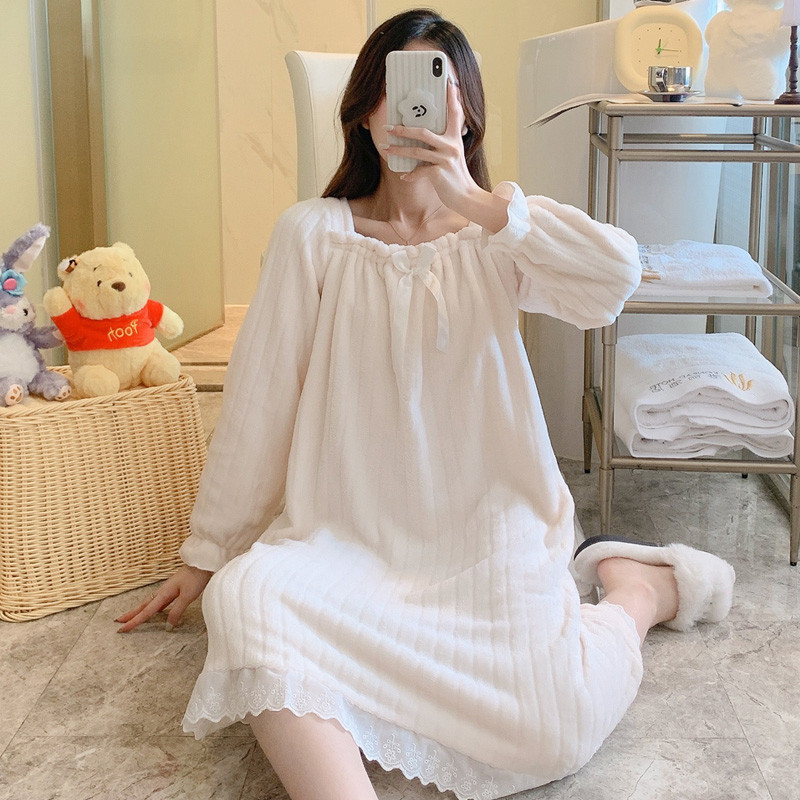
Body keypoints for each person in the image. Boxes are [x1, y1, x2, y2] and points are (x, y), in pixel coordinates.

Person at [117, 9, 735, 800]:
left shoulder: (499, 236)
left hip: (486, 531)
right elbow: (260, 403)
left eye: (436, 88)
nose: (410, 109)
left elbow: (614, 279)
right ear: (363, 111)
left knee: (555, 726)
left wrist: (479, 203)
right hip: (348, 536)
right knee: (249, 601)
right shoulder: (314, 234)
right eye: (392, 87)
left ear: (465, 112)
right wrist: (208, 553)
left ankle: (636, 594)